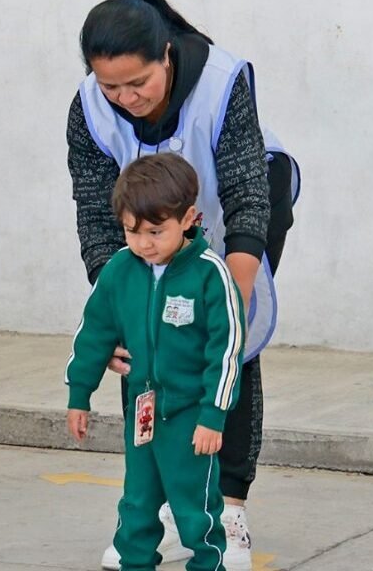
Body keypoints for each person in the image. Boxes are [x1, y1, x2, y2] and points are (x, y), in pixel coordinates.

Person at [67, 0, 299, 570]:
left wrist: (230, 301)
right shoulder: (88, 108)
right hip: (149, 222)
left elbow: (247, 196)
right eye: (110, 86)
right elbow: (95, 214)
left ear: (166, 55)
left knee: (226, 351)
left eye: (137, 83)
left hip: (239, 210)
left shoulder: (222, 81)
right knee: (146, 349)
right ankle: (164, 506)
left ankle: (229, 508)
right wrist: (122, 307)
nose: (125, 98)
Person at [67, 153, 244, 571]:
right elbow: (94, 332)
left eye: (155, 231)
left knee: (195, 509)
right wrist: (80, 394)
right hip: (142, 412)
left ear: (188, 219)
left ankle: (209, 564)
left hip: (190, 418)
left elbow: (227, 349)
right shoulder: (120, 271)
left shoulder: (209, 274)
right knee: (137, 503)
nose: (143, 243)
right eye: (131, 231)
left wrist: (213, 417)